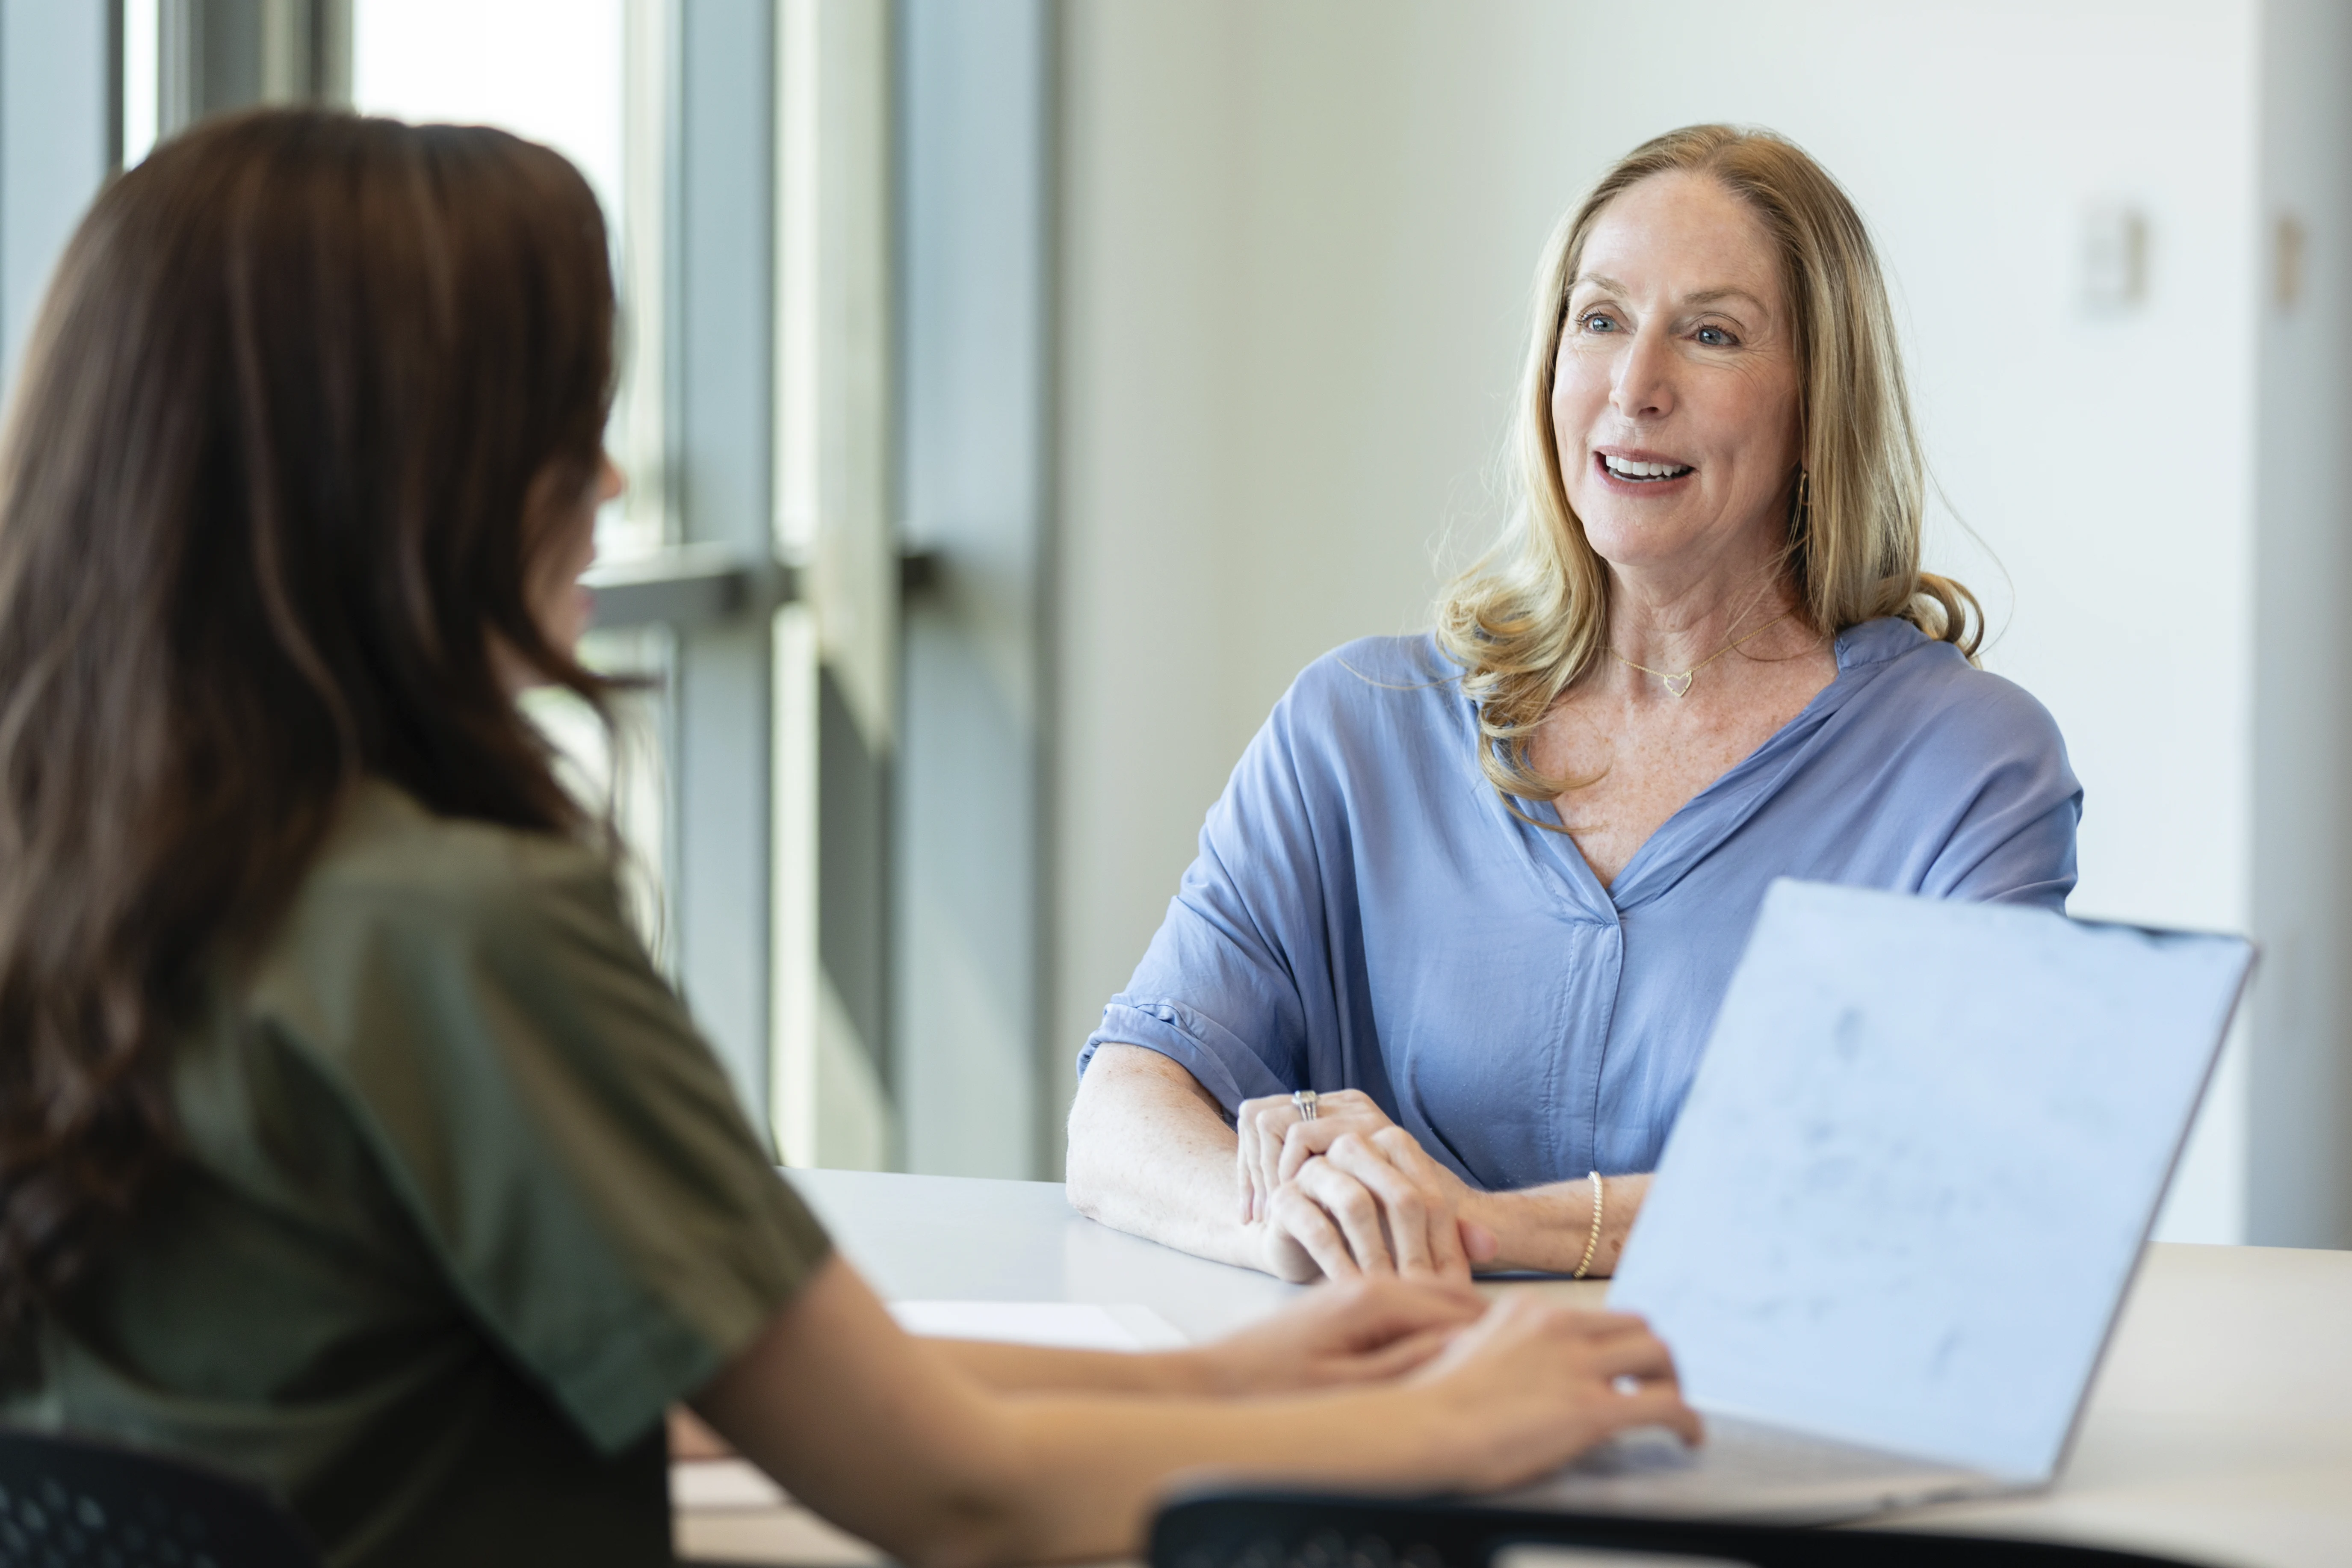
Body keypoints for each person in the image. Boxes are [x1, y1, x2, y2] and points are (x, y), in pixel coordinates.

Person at [0, 111, 1697, 1568]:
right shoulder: (454, 926)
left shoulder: (96, 880)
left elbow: (713, 1386)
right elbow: (954, 1492)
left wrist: (1228, 1378)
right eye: (559, 422)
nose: (606, 484)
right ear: (385, 477)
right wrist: (1449, 1427)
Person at [1065, 124, 2083, 1287]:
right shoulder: (1351, 730)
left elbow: (1941, 1177)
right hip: (1393, 1392)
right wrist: (1307, 1224)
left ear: (1818, 407)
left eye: (1710, 334)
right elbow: (1121, 1112)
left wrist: (1477, 1230)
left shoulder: (1967, 768)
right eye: (1599, 320)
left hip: (1740, 1402)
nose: (1634, 388)